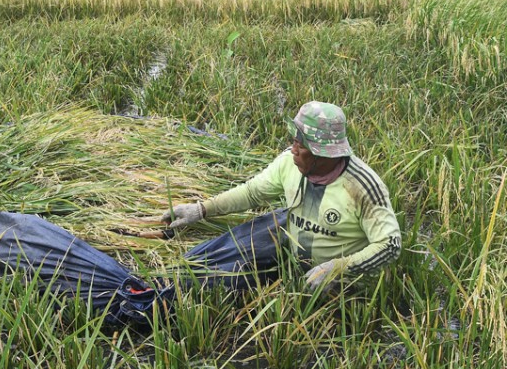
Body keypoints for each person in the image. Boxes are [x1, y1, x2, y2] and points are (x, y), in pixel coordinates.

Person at [163, 101, 401, 291]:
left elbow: (389, 245)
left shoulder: (362, 187)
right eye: (294, 141)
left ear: (325, 153)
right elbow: (252, 192)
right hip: (293, 262)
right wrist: (202, 209)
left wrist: (337, 269)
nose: (293, 150)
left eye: (302, 145)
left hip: (337, 285)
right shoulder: (289, 162)